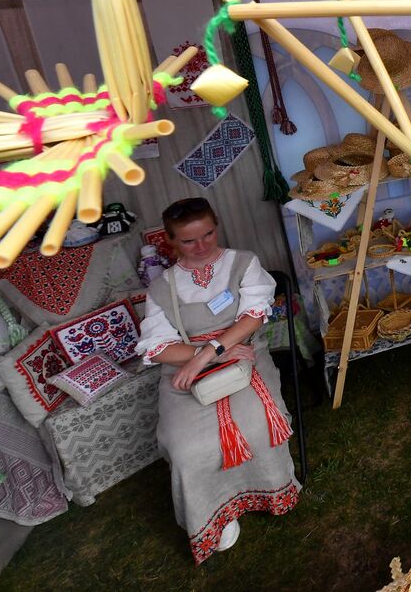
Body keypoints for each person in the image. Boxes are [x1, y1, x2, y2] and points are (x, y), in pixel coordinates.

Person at [134, 198, 298, 563]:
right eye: (190, 241)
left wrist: (211, 352)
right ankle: (216, 513)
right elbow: (157, 347)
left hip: (243, 355)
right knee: (185, 446)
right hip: (187, 365)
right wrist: (197, 356)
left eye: (208, 233)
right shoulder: (162, 287)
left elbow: (253, 317)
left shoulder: (243, 263)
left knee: (256, 423)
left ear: (216, 225)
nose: (203, 245)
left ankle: (269, 490)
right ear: (171, 241)